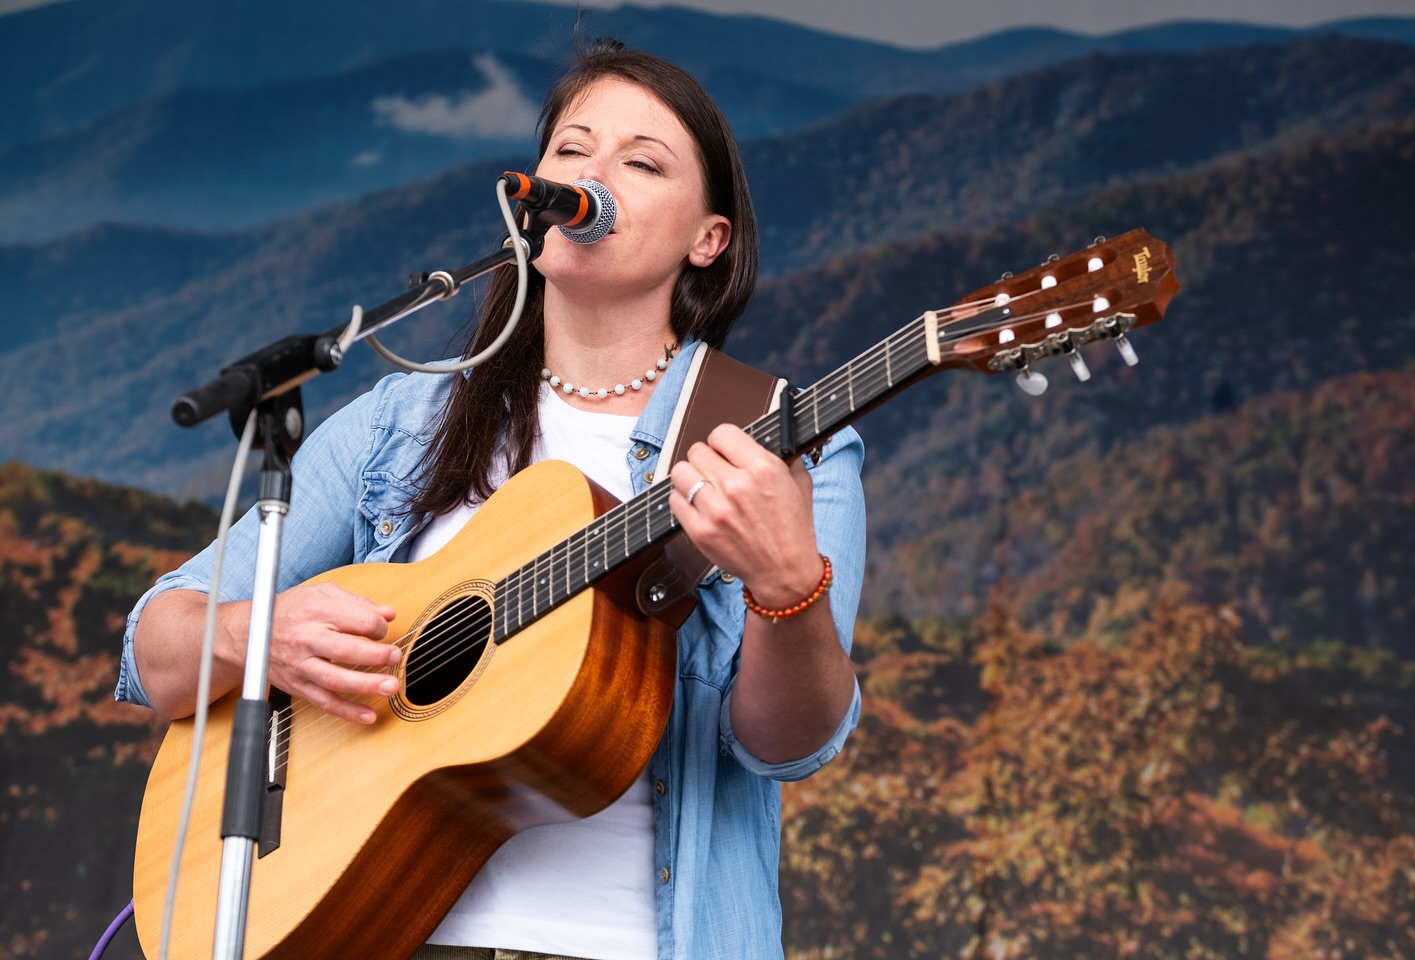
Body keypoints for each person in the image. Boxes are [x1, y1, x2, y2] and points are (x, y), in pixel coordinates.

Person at [117, 40, 865, 960]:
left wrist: (788, 590)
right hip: (381, 931)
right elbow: (155, 646)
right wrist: (256, 635)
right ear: (530, 200)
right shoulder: (405, 420)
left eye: (642, 161)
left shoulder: (773, 439)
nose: (592, 176)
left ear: (709, 238)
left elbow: (785, 745)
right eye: (571, 152)